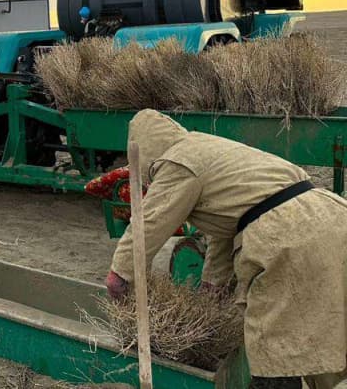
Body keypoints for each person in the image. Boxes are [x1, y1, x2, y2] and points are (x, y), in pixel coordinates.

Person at [107, 109, 347, 388]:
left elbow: (150, 223)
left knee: (274, 338)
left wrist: (119, 274)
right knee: (328, 318)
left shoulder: (177, 163)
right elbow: (230, 221)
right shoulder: (209, 150)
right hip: (331, 216)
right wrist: (213, 283)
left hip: (290, 235)